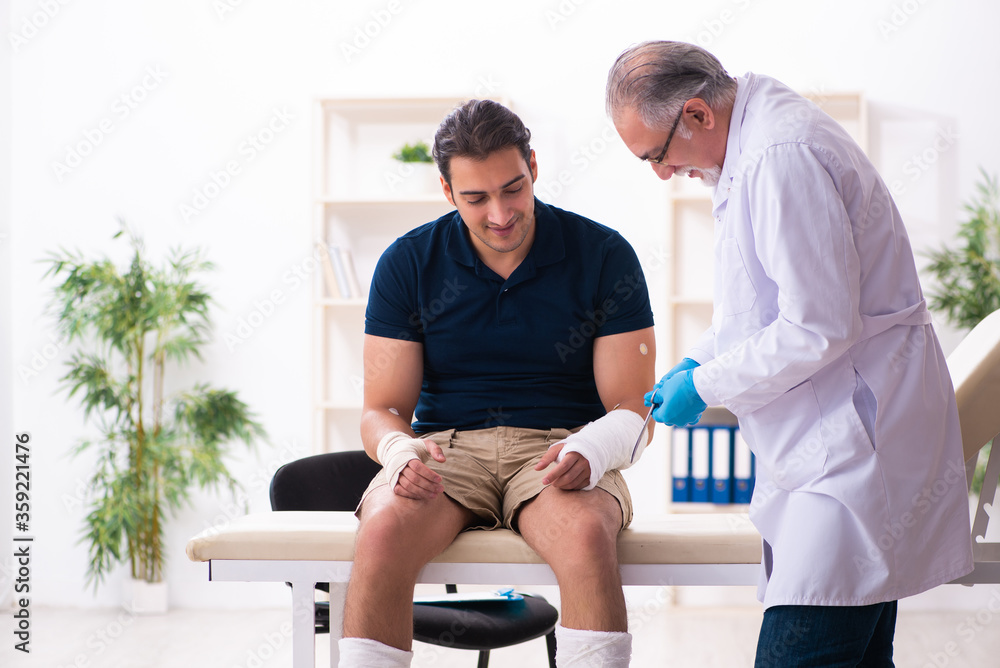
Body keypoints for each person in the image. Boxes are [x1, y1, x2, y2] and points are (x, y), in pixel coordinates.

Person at [606, 41, 974, 667]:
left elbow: (816, 325)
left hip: (853, 451)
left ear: (697, 114)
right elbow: (756, 306)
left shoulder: (780, 156)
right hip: (833, 444)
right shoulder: (748, 144)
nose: (662, 174)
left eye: (657, 156)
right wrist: (698, 362)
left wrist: (709, 387)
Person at [338, 98, 656, 668]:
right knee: (383, 528)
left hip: (563, 447)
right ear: (446, 191)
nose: (501, 214)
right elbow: (381, 408)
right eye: (476, 198)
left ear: (533, 165)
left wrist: (592, 448)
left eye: (512, 188)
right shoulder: (408, 263)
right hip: (445, 448)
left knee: (586, 536)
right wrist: (397, 451)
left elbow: (634, 407)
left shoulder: (604, 255)